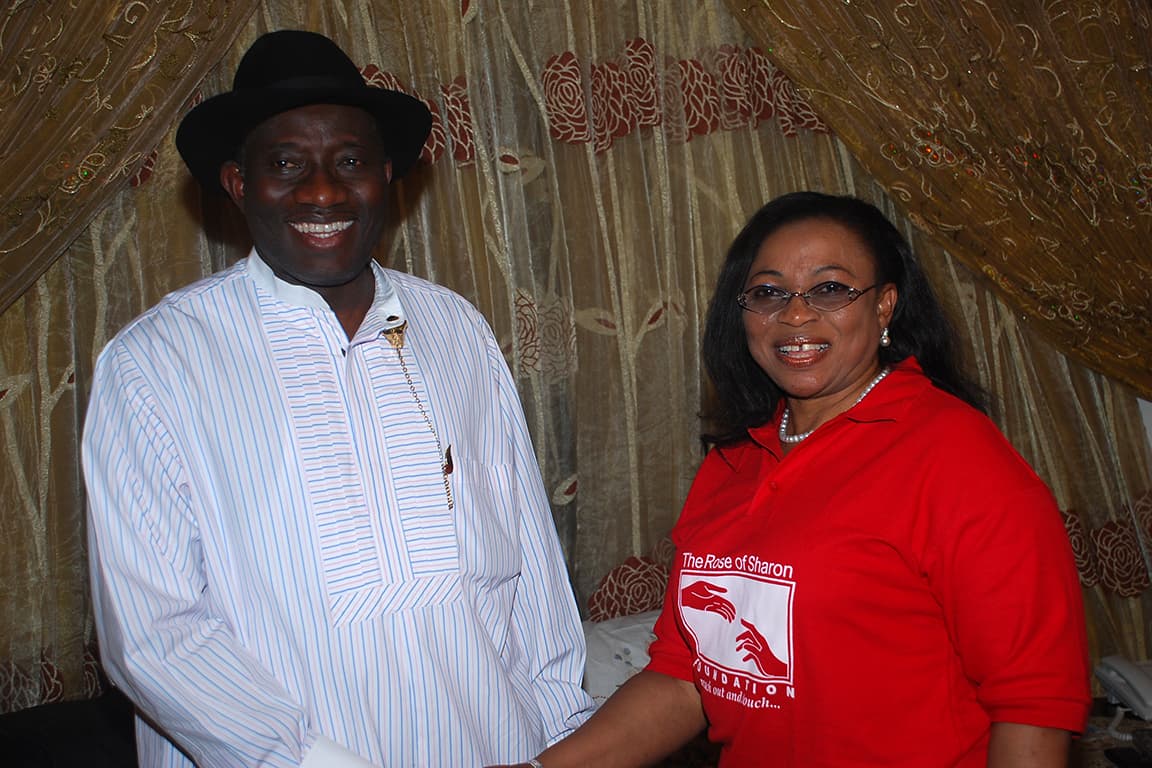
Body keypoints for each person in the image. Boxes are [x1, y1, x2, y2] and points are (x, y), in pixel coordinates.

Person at [83, 30, 593, 767]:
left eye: (349, 162)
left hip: (491, 745)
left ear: (385, 174)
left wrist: (561, 739)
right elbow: (155, 633)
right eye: (286, 165)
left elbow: (530, 572)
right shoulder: (156, 363)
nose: (322, 191)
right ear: (237, 183)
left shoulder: (456, 327)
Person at [491, 191, 1091, 767]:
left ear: (884, 305)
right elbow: (686, 678)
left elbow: (1033, 703)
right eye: (768, 293)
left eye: (830, 288)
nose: (796, 314)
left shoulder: (956, 455)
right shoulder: (735, 461)